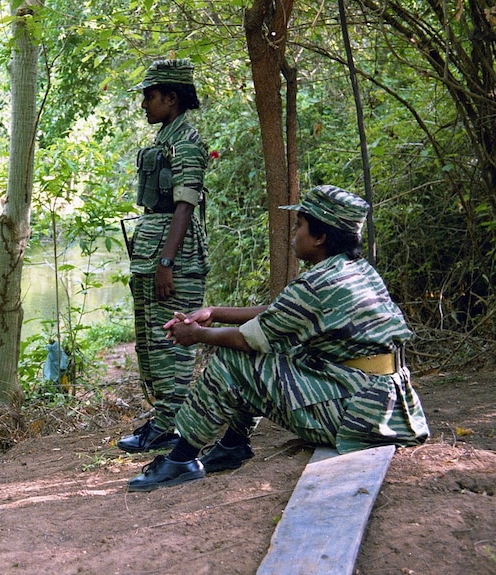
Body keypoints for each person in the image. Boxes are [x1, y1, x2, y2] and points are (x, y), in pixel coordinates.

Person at [127, 185, 430, 491]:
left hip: (358, 417)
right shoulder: (355, 271)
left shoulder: (317, 283)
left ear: (320, 237)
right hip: (385, 405)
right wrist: (214, 312)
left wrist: (197, 335)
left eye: (299, 226)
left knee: (234, 361)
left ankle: (181, 459)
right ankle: (233, 444)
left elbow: (247, 341)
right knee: (281, 345)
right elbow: (280, 313)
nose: (293, 234)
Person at [117, 58, 211, 453]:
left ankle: (173, 428)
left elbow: (185, 206)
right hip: (152, 251)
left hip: (176, 259)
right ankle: (162, 420)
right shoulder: (165, 141)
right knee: (150, 344)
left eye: (149, 97)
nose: (144, 105)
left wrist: (167, 262)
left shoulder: (187, 143)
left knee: (170, 344)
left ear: (171, 99)